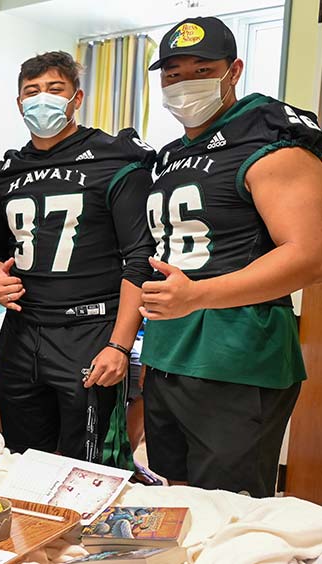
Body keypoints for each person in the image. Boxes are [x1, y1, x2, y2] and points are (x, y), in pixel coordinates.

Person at [140, 16, 322, 497]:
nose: (185, 83)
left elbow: (310, 255)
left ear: (233, 70)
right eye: (173, 73)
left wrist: (197, 295)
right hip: (167, 352)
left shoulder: (267, 138)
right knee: (170, 502)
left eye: (201, 69)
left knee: (229, 517)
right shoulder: (172, 153)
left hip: (235, 358)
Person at [0, 51, 155, 461]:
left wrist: (120, 343)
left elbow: (139, 255)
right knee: (24, 459)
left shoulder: (115, 159)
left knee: (93, 466)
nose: (42, 99)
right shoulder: (4, 173)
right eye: (32, 91)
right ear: (19, 103)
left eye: (54, 89)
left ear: (76, 98)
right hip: (22, 332)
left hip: (90, 330)